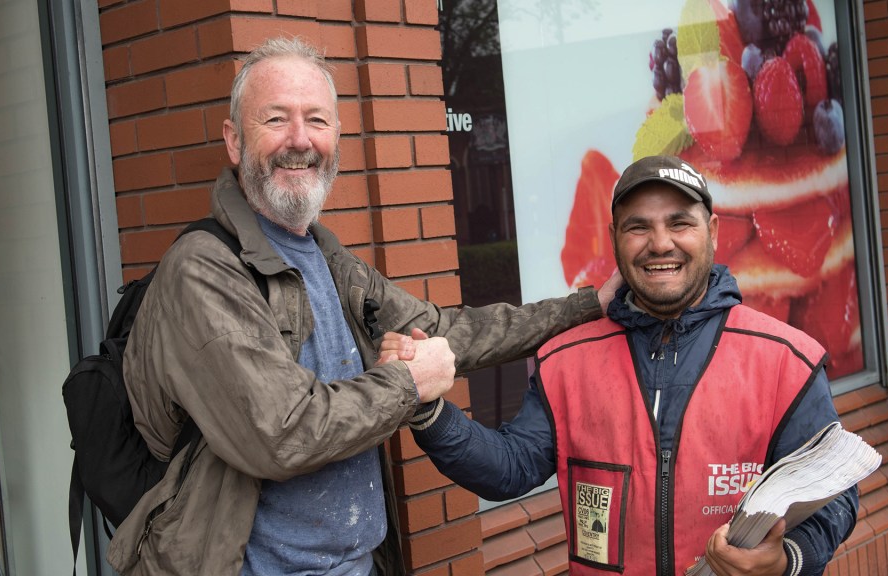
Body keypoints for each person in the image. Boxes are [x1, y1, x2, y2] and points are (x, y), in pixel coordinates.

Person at [106, 37, 618, 576]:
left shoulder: (328, 258)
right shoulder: (202, 270)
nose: (299, 140)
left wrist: (587, 305)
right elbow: (281, 434)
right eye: (276, 119)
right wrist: (410, 383)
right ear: (234, 141)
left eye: (317, 121)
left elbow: (444, 331)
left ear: (338, 138)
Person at [405, 155, 859, 576]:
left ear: (714, 231)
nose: (660, 244)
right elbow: (509, 469)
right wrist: (430, 413)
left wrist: (786, 561)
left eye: (680, 223)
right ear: (615, 238)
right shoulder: (566, 360)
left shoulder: (786, 359)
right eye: (638, 227)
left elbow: (833, 496)